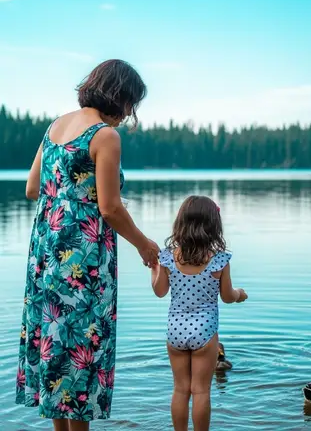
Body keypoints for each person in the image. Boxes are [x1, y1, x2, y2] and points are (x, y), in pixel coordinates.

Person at [15, 59, 160, 431]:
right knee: (80, 358)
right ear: (120, 97)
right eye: (131, 105)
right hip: (84, 256)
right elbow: (109, 207)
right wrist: (144, 245)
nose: (129, 115)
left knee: (58, 353)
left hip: (47, 253)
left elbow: (33, 189)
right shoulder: (104, 136)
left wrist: (66, 197)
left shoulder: (55, 128)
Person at [151, 195, 248, 431]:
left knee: (180, 389)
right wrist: (240, 294)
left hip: (175, 331)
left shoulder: (167, 257)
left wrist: (154, 268)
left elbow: (160, 291)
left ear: (181, 223)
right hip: (205, 332)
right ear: (214, 225)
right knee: (201, 390)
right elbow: (227, 296)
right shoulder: (219, 260)